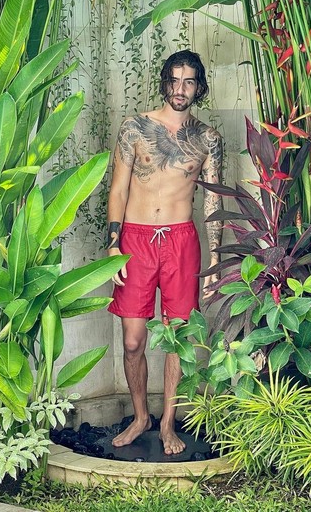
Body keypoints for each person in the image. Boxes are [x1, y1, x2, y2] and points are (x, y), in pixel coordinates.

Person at [106, 50, 223, 455]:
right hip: (135, 240)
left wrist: (215, 258)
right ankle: (141, 417)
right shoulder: (134, 128)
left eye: (188, 82)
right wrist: (113, 243)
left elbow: (213, 201)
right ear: (164, 82)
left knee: (177, 337)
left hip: (181, 242)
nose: (179, 89)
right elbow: (118, 189)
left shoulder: (208, 139)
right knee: (133, 341)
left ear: (199, 87)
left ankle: (169, 423)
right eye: (174, 80)